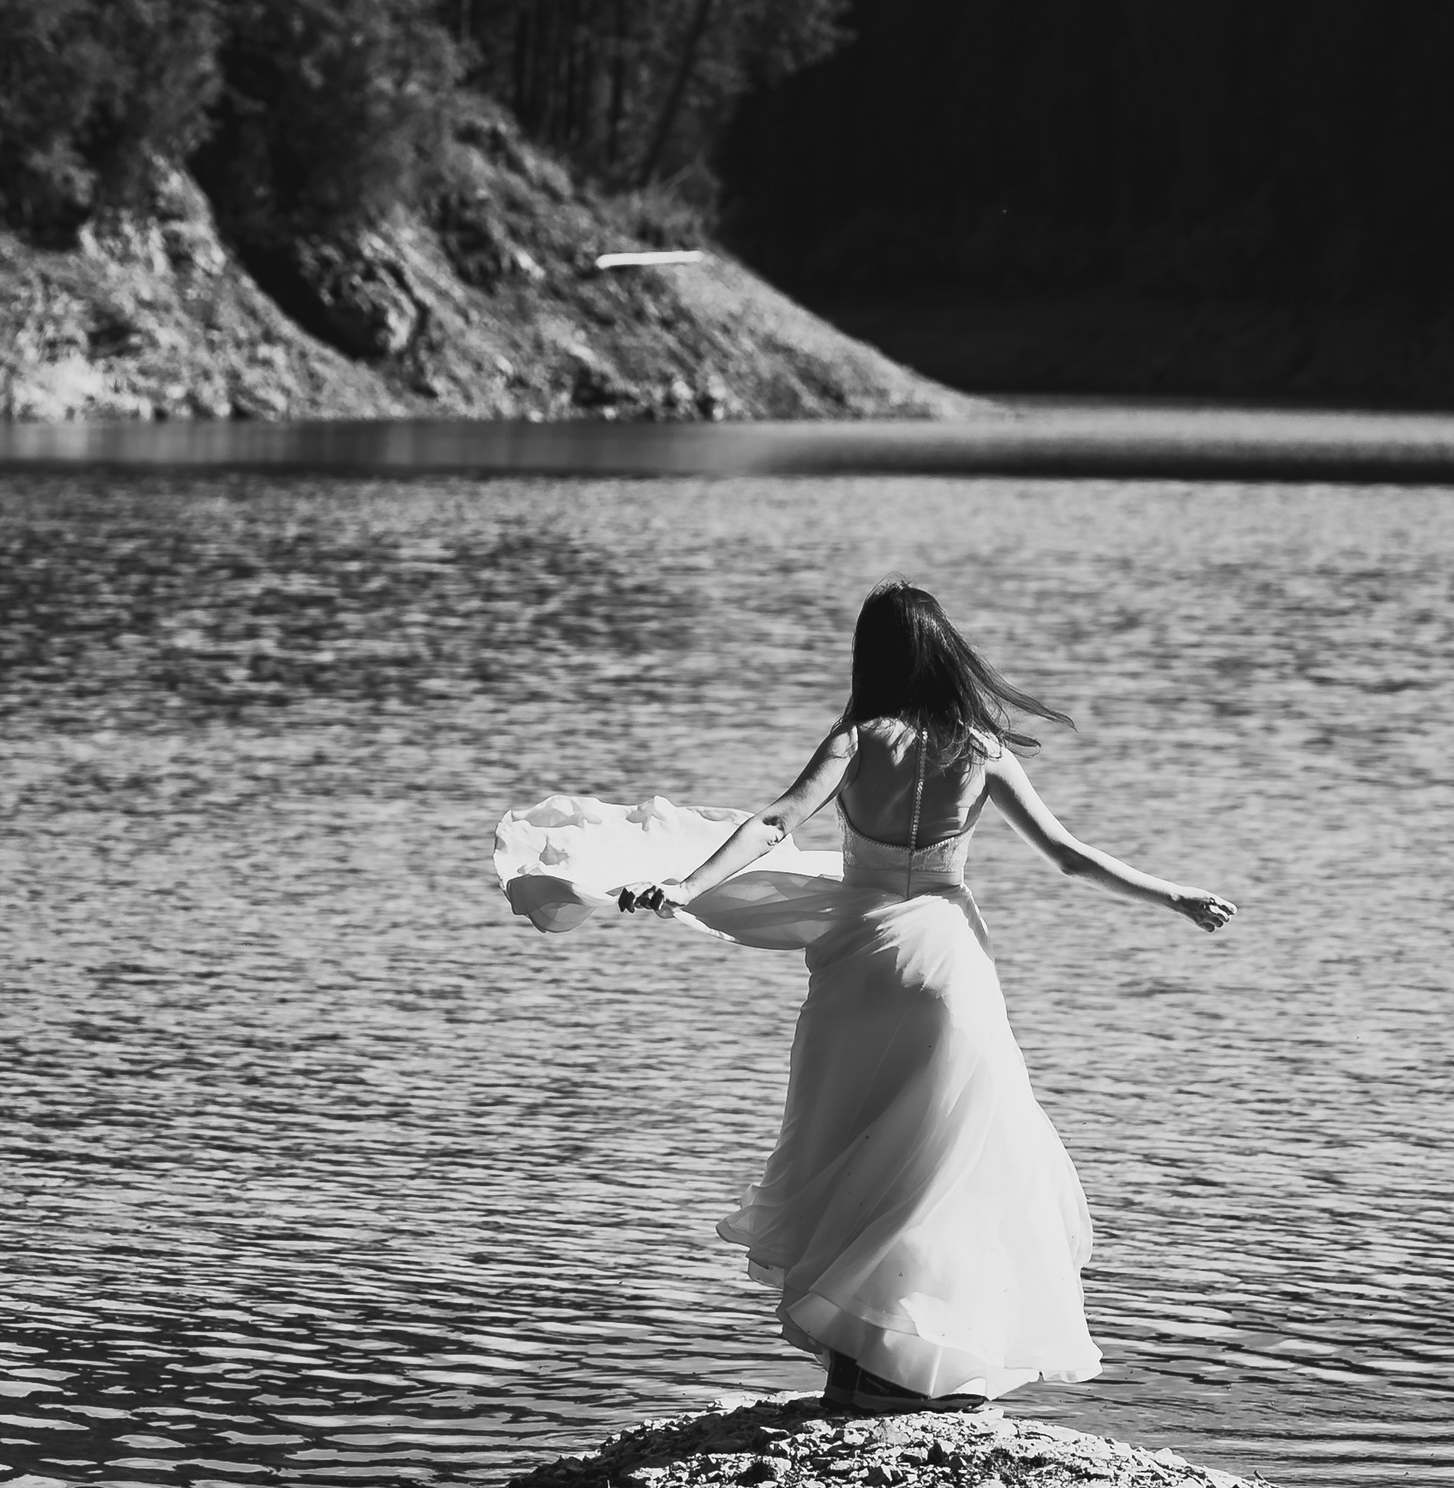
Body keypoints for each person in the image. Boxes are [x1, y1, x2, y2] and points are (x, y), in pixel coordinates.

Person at [495, 580, 1233, 1416]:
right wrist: (1174, 895)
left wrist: (686, 883)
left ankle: (851, 1373)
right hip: (947, 966)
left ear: (873, 655)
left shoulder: (857, 738)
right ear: (944, 652)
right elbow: (1066, 855)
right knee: (943, 1163)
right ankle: (932, 1360)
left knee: (846, 1147)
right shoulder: (983, 749)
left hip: (861, 966)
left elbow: (776, 821)